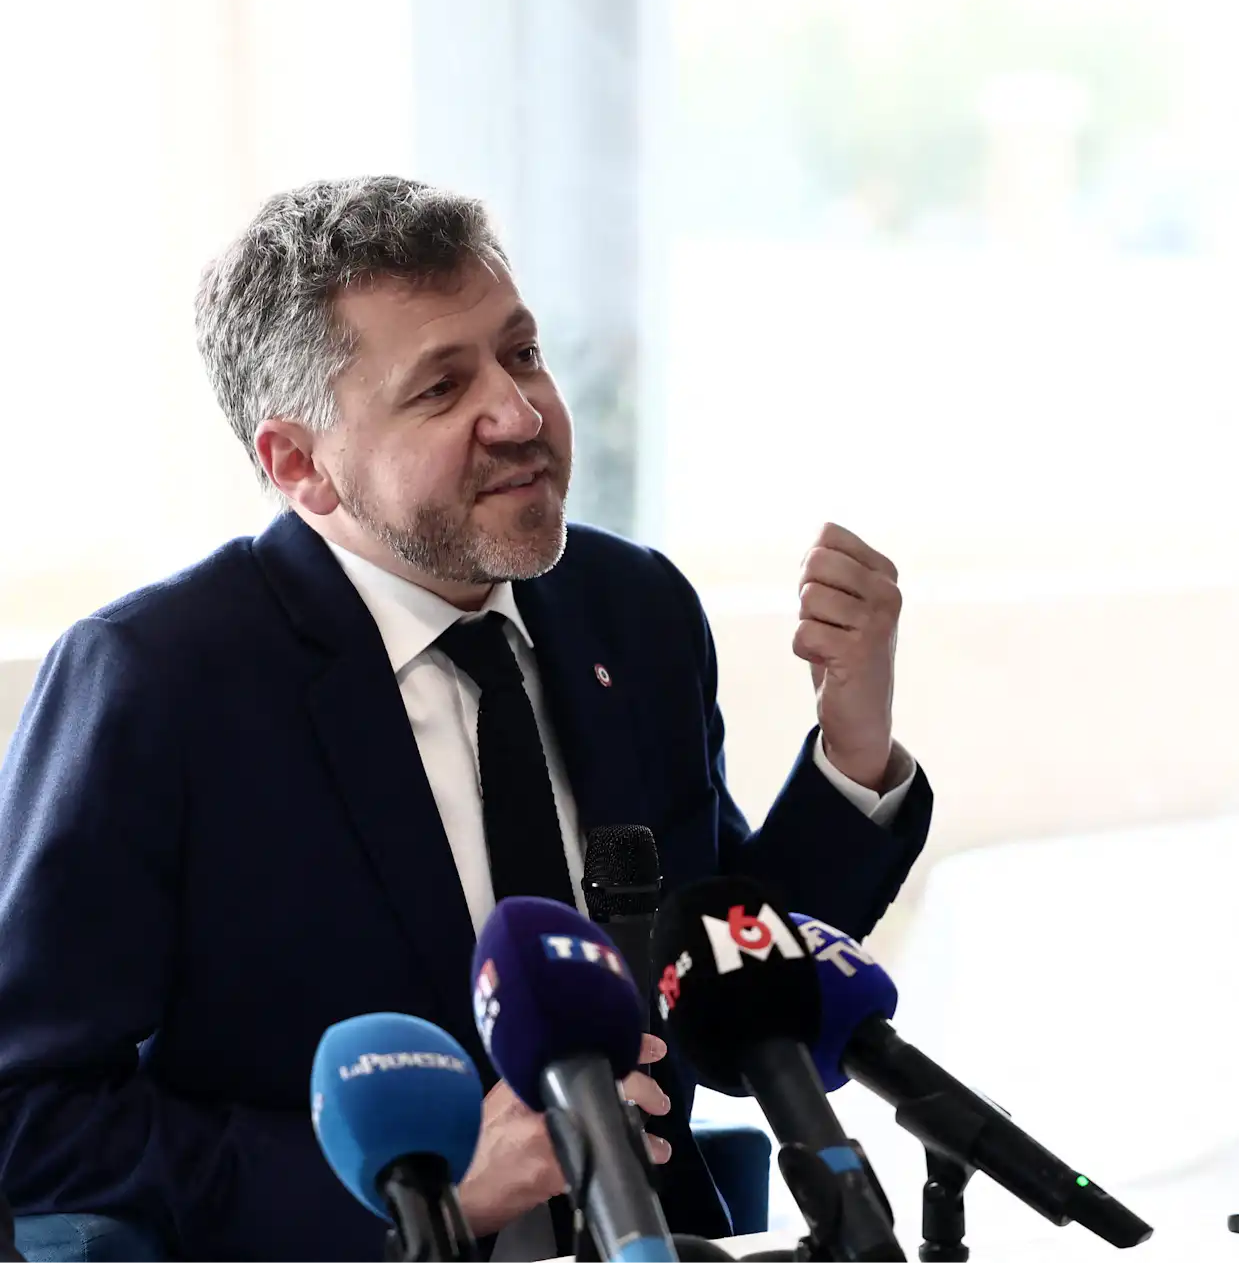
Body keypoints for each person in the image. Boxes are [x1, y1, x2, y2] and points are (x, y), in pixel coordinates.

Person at [0, 178, 935, 1261]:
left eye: (522, 353)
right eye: (444, 387)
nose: (522, 413)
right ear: (299, 464)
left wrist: (853, 745)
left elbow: (727, 994)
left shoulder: (631, 611)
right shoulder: (157, 679)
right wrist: (421, 1187)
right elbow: (30, 1113)